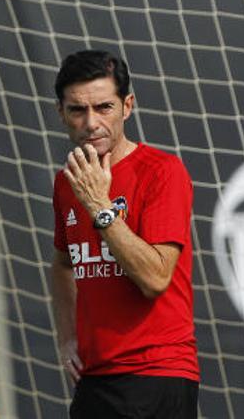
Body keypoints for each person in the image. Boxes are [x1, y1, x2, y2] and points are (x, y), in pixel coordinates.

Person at [49, 50, 198, 418]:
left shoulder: (162, 172)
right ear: (61, 113)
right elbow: (63, 264)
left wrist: (99, 206)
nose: (91, 123)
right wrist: (68, 337)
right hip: (95, 379)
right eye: (77, 110)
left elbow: (155, 277)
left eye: (104, 107)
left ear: (127, 106)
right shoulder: (68, 183)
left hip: (156, 374)